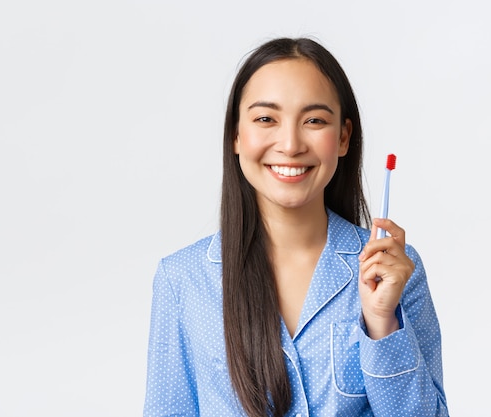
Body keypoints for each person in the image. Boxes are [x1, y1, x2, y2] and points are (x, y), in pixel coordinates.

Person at [143, 37, 448, 417]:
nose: (289, 144)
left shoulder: (392, 271)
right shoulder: (182, 280)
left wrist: (382, 323)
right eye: (266, 119)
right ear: (236, 135)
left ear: (343, 137)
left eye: (314, 121)